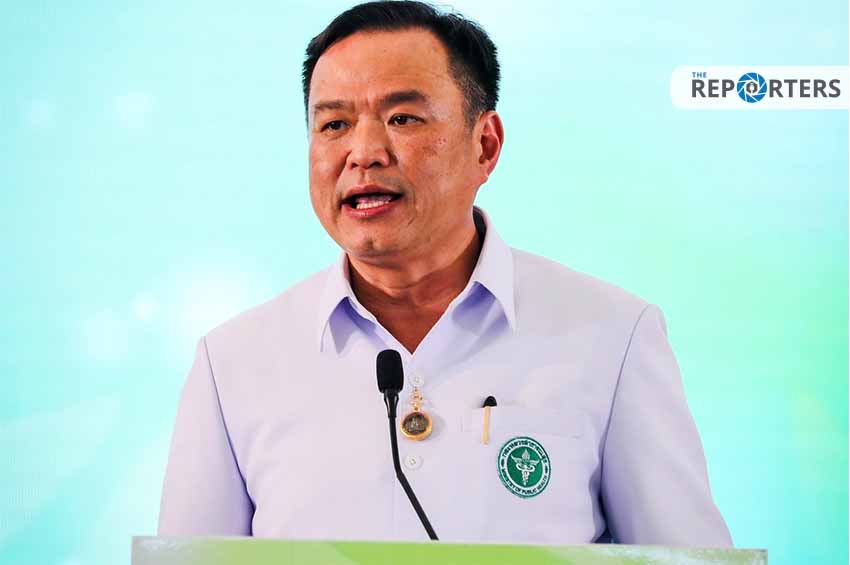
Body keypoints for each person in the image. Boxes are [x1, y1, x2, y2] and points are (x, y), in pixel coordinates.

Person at [158, 0, 732, 546]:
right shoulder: (233, 362)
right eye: (333, 125)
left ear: (485, 145)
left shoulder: (613, 335)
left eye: (402, 118)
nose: (364, 152)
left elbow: (686, 557)